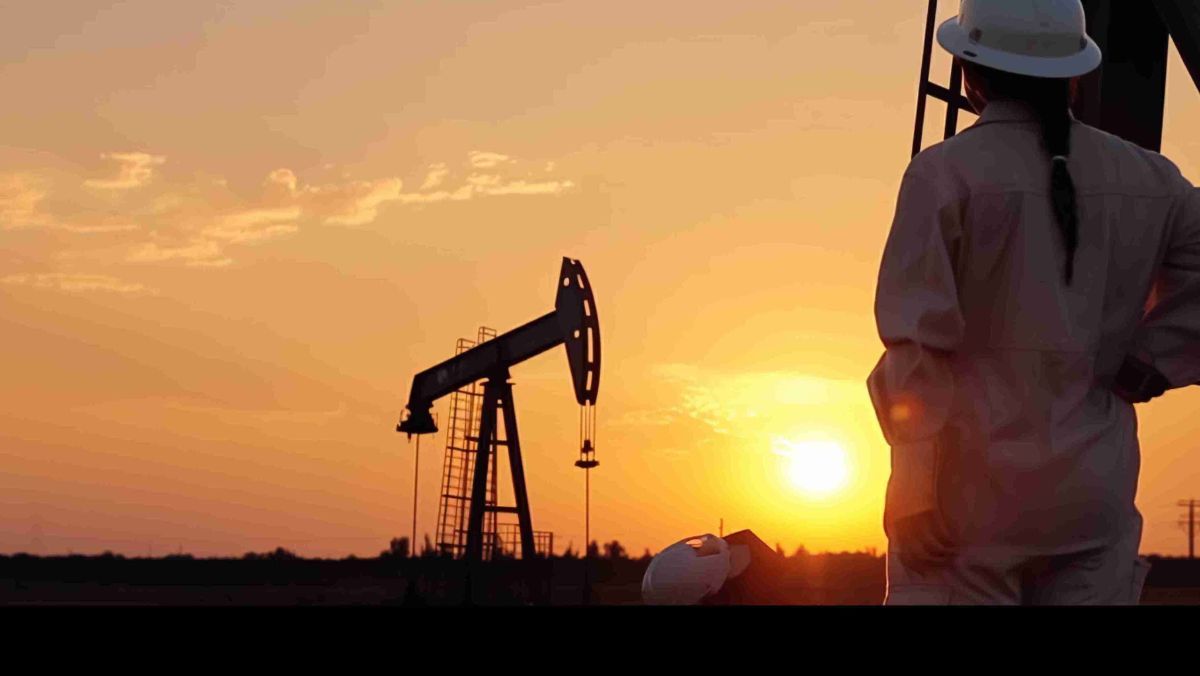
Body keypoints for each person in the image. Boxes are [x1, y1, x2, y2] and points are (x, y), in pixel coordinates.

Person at [868, 0, 1200, 604]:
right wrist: (1156, 356)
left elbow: (914, 348)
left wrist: (913, 489)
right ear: (1075, 75)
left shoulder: (943, 176)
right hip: (1090, 500)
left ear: (970, 73)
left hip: (966, 509)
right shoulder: (1154, 182)